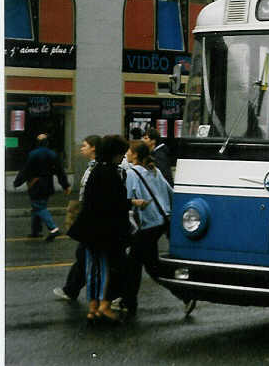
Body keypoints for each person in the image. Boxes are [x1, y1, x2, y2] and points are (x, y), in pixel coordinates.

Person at [67, 135, 131, 322]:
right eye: (121, 153)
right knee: (106, 268)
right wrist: (131, 203)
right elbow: (115, 203)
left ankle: (93, 306)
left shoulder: (95, 171)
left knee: (91, 268)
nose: (122, 157)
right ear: (114, 154)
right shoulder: (112, 174)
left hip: (90, 229)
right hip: (105, 231)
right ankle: (104, 305)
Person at [121, 140, 177, 318]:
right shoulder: (156, 171)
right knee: (143, 265)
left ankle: (183, 294)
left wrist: (134, 202)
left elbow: (127, 199)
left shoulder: (132, 173)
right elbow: (171, 193)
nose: (126, 154)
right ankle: (128, 301)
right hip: (161, 222)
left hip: (146, 224)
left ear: (135, 155)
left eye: (129, 151)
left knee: (145, 266)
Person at [54, 135, 101, 302]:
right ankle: (71, 289)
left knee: (86, 255)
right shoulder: (91, 167)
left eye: (85, 145)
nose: (82, 148)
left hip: (94, 218)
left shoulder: (98, 168)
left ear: (94, 148)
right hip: (90, 217)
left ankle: (74, 291)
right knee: (84, 255)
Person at [14, 133, 71, 241]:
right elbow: (60, 172)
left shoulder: (32, 154)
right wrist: (65, 186)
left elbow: (25, 170)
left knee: (39, 207)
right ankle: (36, 231)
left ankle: (54, 229)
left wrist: (17, 182)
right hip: (48, 184)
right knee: (38, 207)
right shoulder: (53, 154)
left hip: (35, 184)